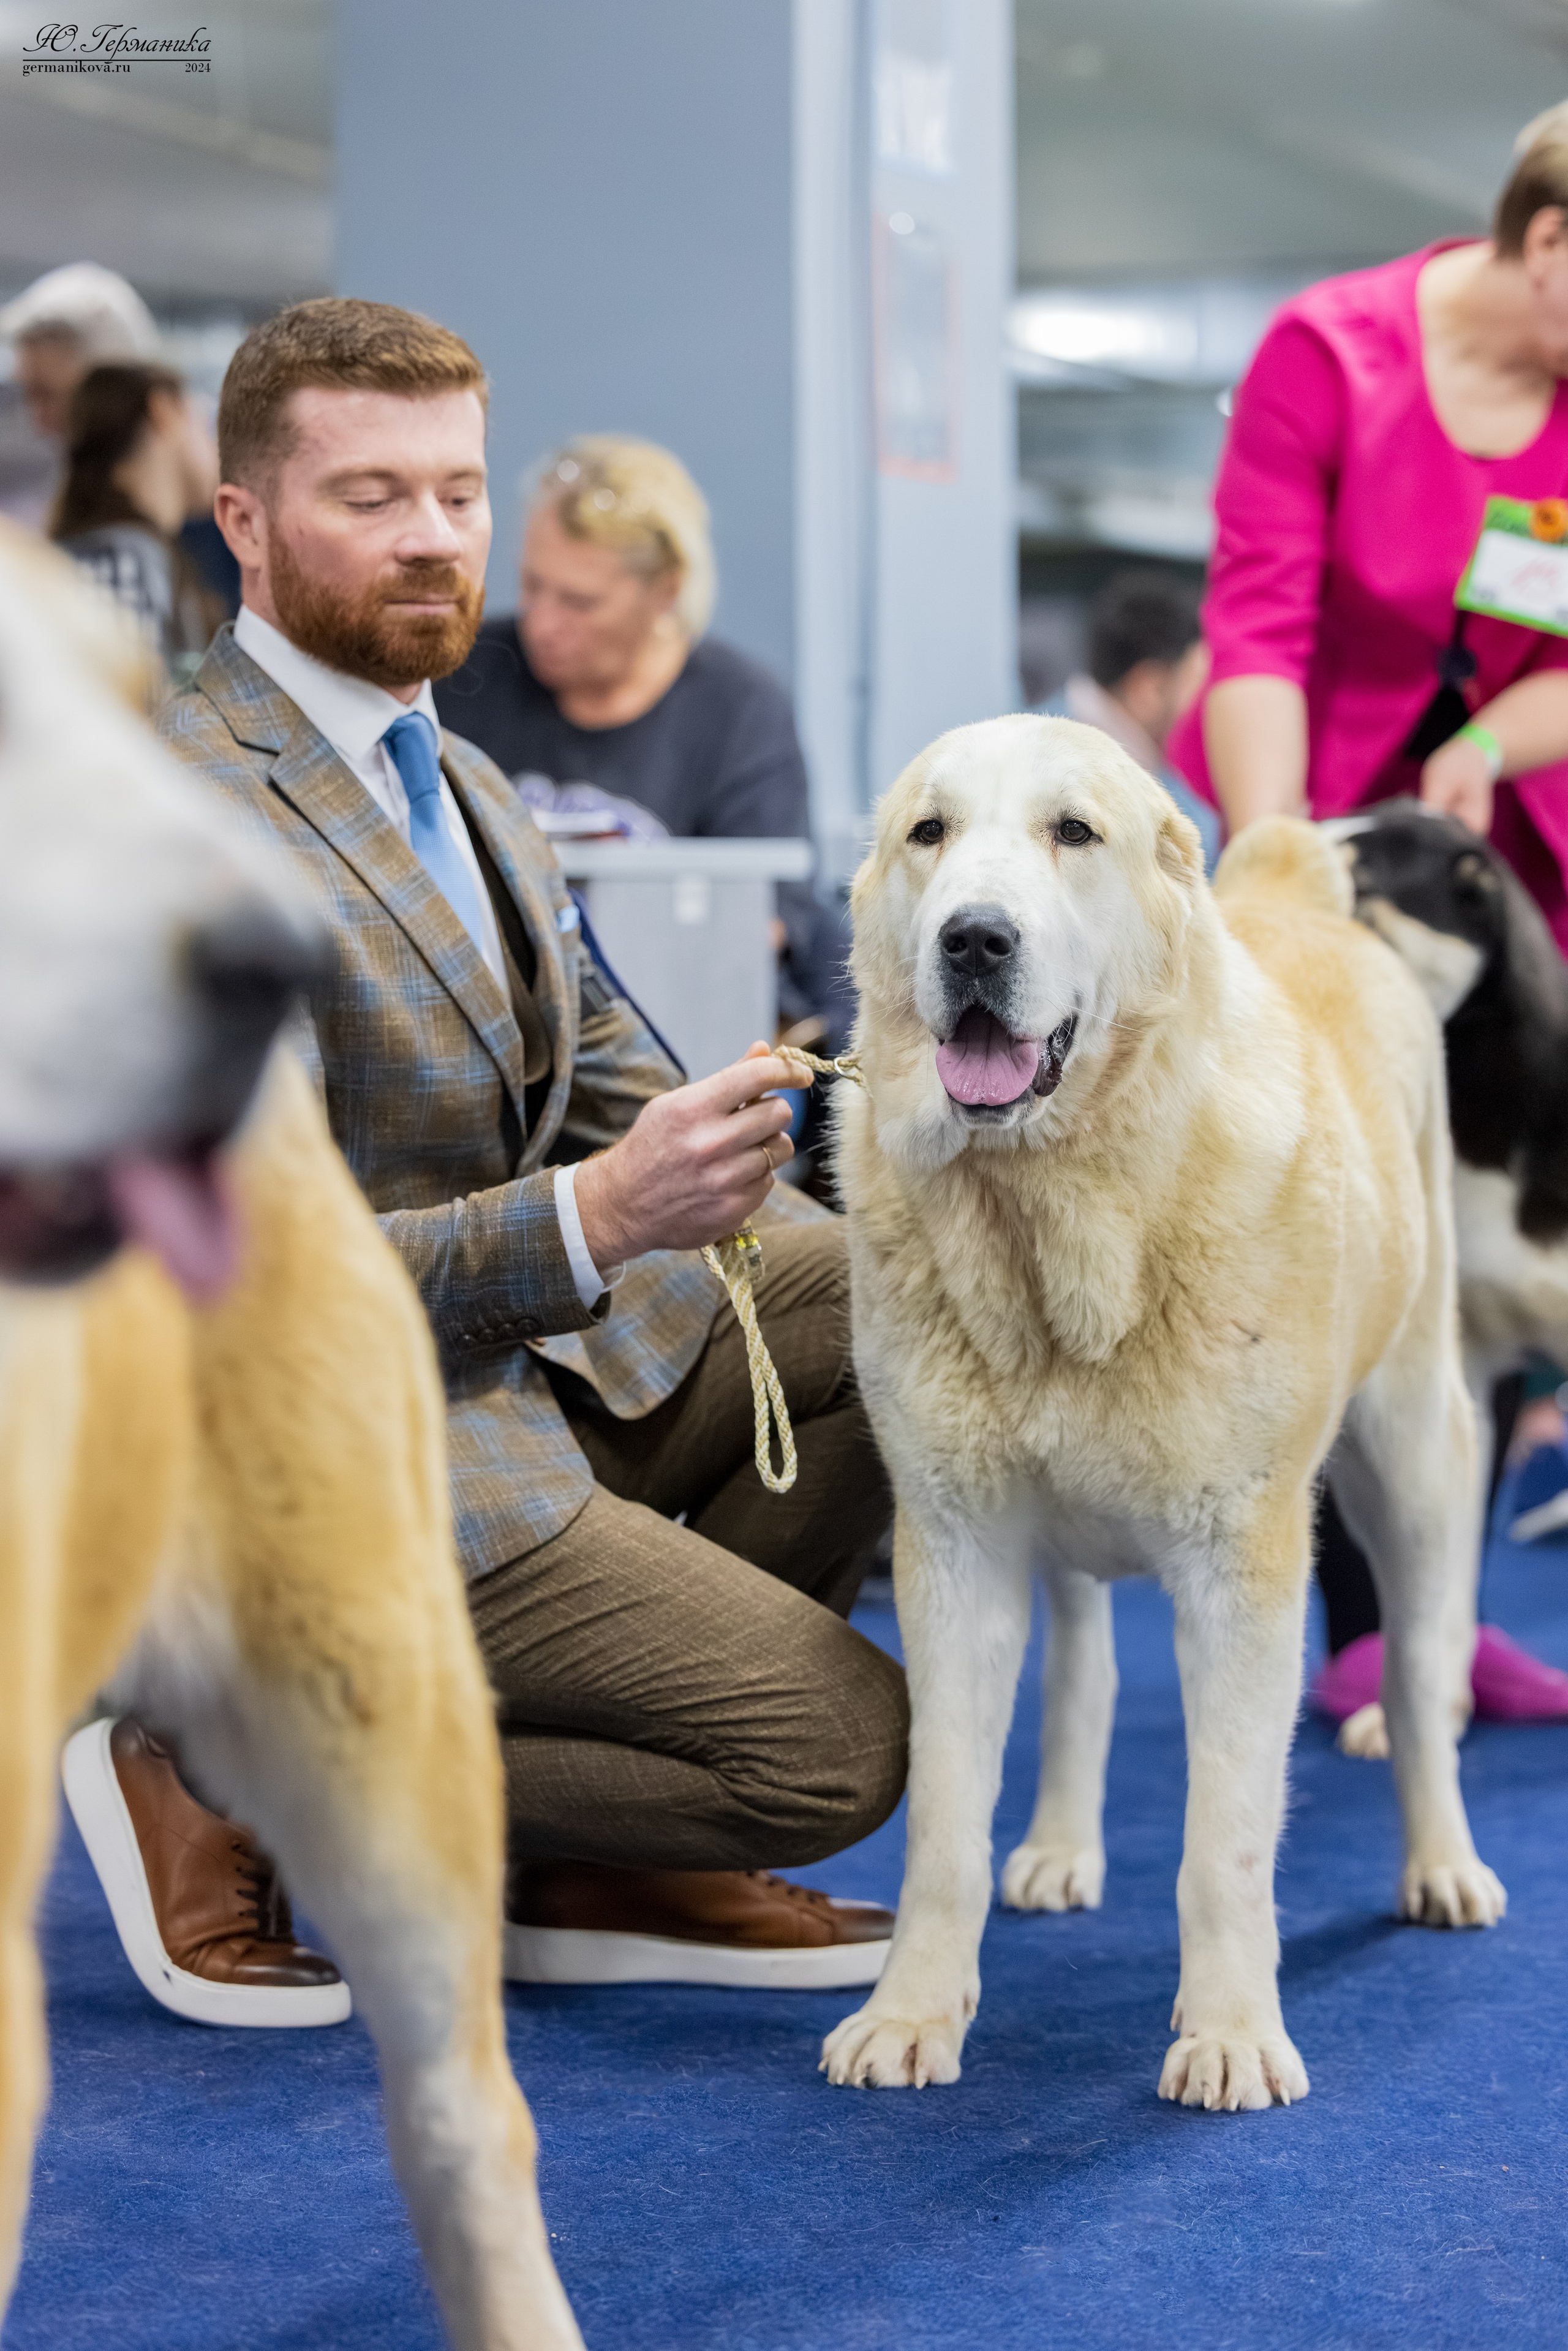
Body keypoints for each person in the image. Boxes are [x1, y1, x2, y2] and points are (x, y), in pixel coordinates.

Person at [73, 297, 905, 2023]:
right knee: (832, 1748)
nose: (434, 538)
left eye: (455, 493)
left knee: (886, 1294)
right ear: (243, 523)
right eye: (369, 495)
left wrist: (793, 1158)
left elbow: (625, 1098)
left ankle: (596, 1849)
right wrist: (598, 1212)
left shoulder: (465, 785)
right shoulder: (184, 816)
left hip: (502, 1382)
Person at [1169, 102, 1568, 1714]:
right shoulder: (1329, 355)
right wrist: (1277, 870)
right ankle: (1345, 1621)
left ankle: (1440, 1617)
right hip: (1319, 801)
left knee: (1483, 1222)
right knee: (1323, 1200)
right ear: (1548, 241)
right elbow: (1258, 626)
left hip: (1513, 841)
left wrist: (1484, 747)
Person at [432, 434, 835, 1030]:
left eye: (580, 602)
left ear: (665, 591)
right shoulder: (462, 675)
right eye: (533, 585)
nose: (543, 623)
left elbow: (764, 922)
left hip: (672, 1019)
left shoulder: (740, 711)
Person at [1035, 568, 1220, 870]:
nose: (1204, 704)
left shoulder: (1007, 743)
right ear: (1149, 690)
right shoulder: (1187, 824)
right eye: (1195, 683)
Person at [51, 363, 225, 680]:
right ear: (163, 411)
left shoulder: (129, 553)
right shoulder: (122, 561)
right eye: (205, 428)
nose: (217, 451)